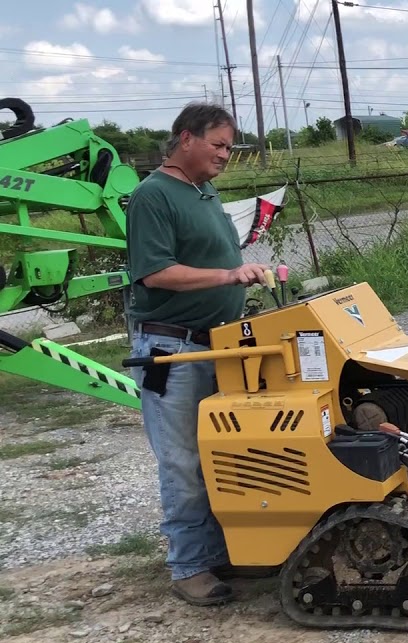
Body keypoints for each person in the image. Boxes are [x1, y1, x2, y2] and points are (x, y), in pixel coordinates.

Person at [125, 103, 272, 606]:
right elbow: (155, 273)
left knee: (220, 453)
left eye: (229, 147)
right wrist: (230, 276)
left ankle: (218, 550)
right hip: (174, 348)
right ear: (186, 139)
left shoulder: (201, 192)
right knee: (184, 460)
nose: (226, 155)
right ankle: (189, 566)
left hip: (218, 344)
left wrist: (242, 273)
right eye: (219, 145)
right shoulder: (153, 196)